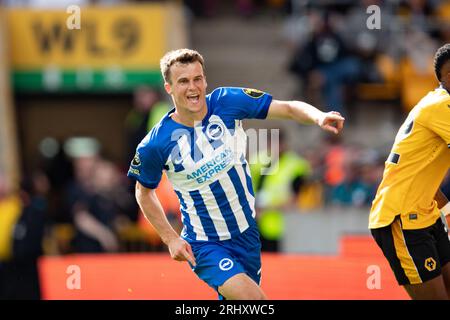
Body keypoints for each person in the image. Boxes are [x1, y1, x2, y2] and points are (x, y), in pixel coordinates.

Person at [127, 48, 344, 300]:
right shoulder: (155, 143)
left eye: (197, 78)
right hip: (205, 243)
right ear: (169, 88)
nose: (192, 87)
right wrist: (171, 239)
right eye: (183, 81)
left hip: (247, 234)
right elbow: (143, 192)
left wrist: (319, 117)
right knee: (255, 300)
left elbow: (286, 108)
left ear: (205, 80)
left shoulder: (227, 101)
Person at [369, 43, 450, 300]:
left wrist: (446, 210)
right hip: (401, 217)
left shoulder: (436, 103)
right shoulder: (442, 105)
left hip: (426, 213)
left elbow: (419, 173)